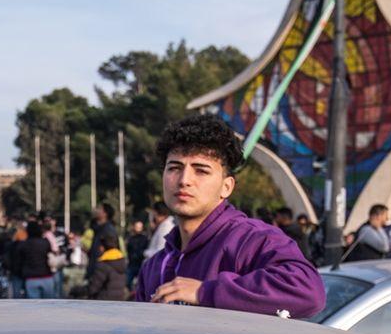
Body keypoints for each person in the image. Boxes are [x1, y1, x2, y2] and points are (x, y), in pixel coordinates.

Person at [134, 115, 324, 317]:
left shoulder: (252, 240)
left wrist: (204, 291)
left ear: (227, 187)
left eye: (201, 171)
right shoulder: (154, 266)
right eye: (174, 168)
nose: (184, 180)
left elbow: (309, 292)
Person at [10, 220, 56, 298]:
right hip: (47, 277)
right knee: (49, 306)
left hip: (31, 279)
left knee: (34, 307)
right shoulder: (45, 242)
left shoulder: (23, 245)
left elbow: (18, 263)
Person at [79, 231, 127, 300]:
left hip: (103, 302)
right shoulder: (121, 260)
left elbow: (93, 288)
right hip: (119, 300)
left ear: (103, 247)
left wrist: (77, 290)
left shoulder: (104, 264)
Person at [125, 219, 149, 289]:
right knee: (127, 282)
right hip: (132, 264)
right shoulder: (130, 238)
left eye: (139, 227)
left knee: (140, 284)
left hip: (140, 264)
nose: (138, 229)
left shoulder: (144, 238)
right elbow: (129, 249)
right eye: (137, 227)